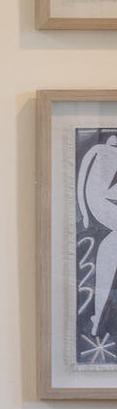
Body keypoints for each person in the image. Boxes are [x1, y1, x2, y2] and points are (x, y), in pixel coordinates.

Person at [77, 134, 117, 335]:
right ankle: (97, 317)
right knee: (109, 251)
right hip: (100, 209)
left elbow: (83, 178)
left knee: (109, 250)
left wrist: (84, 211)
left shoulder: (98, 151)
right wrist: (84, 212)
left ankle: (97, 318)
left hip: (97, 209)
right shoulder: (101, 151)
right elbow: (84, 177)